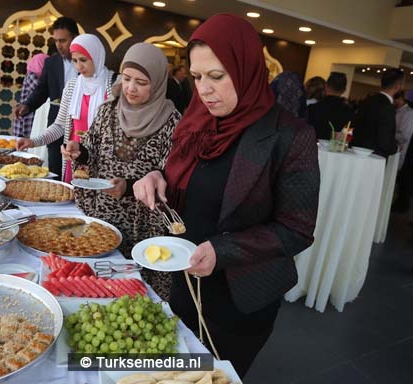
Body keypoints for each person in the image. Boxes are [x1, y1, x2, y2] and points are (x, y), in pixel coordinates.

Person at [133, 14, 319, 377]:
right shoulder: (198, 122)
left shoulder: (289, 135)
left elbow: (296, 229)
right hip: (185, 280)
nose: (204, 90)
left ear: (246, 68)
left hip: (241, 299)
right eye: (198, 77)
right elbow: (182, 177)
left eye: (217, 76)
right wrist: (157, 177)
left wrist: (224, 250)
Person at [61, 43, 181, 299]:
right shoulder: (107, 110)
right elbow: (91, 147)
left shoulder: (173, 123)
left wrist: (128, 185)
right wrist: (78, 151)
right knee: (90, 287)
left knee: (130, 294)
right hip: (101, 215)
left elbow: (170, 174)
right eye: (126, 79)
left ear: (158, 82)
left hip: (141, 227)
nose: (131, 88)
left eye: (141, 82)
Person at [17, 34, 116, 183]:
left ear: (97, 56)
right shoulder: (72, 87)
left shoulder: (114, 87)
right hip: (73, 155)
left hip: (102, 160)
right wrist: (33, 142)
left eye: (83, 60)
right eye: (75, 61)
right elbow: (59, 126)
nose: (78, 66)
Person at [15, 17, 79, 178]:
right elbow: (41, 90)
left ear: (75, 38)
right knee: (56, 170)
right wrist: (27, 105)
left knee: (78, 172)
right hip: (56, 123)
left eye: (63, 40)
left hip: (79, 126)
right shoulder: (51, 63)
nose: (59, 45)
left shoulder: (87, 64)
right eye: (56, 40)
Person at [351, 69, 404, 157]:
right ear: (397, 86)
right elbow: (384, 141)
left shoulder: (367, 100)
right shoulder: (387, 107)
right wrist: (396, 148)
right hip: (374, 156)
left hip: (356, 151)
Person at [307, 71, 355, 140]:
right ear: (344, 90)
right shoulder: (350, 113)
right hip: (335, 149)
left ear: (326, 86)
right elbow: (348, 136)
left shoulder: (313, 109)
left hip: (312, 147)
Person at [13, 53, 49, 138]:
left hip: (30, 116)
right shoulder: (32, 76)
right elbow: (42, 93)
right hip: (26, 118)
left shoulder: (38, 78)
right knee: (24, 145)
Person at [394, 91, 413, 170]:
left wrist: (388, 133)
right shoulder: (395, 110)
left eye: (394, 99)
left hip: (399, 150)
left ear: (400, 99)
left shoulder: (410, 113)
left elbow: (404, 136)